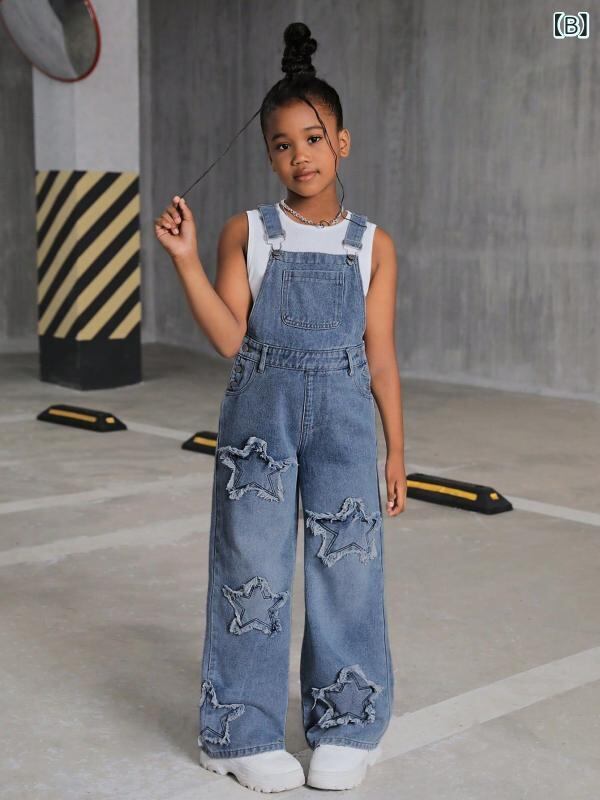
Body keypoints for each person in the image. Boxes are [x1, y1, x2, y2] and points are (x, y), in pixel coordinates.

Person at [155, 20, 406, 794]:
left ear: (342, 143)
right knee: (252, 569)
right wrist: (187, 262)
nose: (300, 156)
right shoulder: (248, 232)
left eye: (313, 138)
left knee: (348, 571)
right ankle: (238, 732)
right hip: (258, 426)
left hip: (345, 422)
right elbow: (232, 338)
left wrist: (397, 450)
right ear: (269, 154)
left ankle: (348, 724)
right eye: (282, 144)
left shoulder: (372, 245)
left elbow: (381, 356)